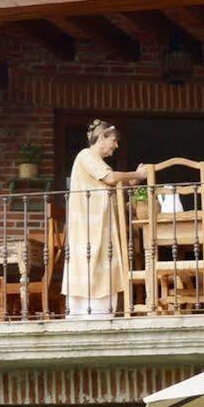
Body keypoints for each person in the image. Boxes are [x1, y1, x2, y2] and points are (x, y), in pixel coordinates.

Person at [64, 119, 147, 317]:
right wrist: (136, 173)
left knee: (102, 260)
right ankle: (87, 311)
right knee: (88, 261)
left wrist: (131, 182)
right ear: (101, 137)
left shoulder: (98, 163)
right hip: (87, 225)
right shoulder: (86, 155)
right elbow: (109, 179)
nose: (116, 146)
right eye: (114, 141)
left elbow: (108, 187)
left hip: (98, 226)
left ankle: (101, 310)